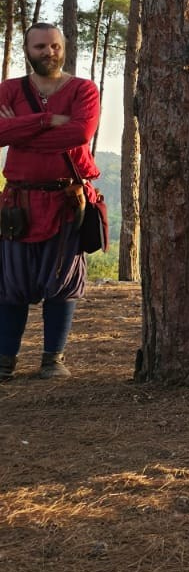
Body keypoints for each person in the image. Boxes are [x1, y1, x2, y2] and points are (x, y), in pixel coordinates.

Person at [0, 23, 102, 379]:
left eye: (55, 46)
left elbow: (81, 132)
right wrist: (46, 120)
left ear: (64, 47)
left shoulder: (83, 89)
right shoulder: (10, 89)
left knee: (63, 281)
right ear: (27, 49)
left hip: (66, 199)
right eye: (41, 46)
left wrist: (23, 131)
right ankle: (5, 360)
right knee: (10, 283)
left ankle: (52, 359)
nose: (49, 52)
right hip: (19, 200)